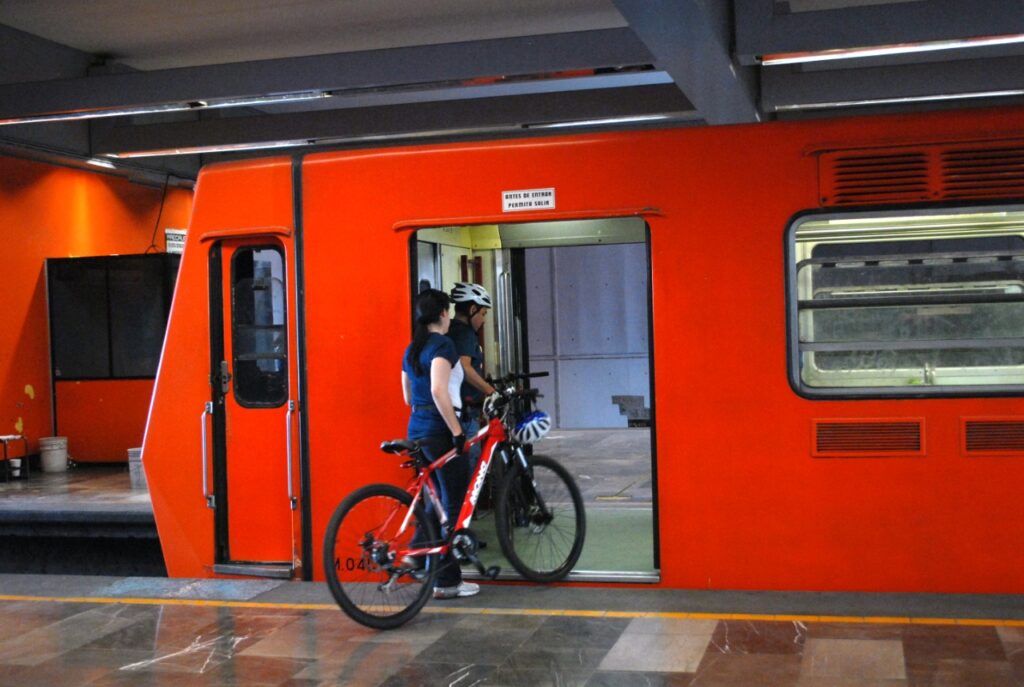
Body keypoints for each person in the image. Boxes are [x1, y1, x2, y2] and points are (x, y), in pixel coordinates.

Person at [401, 288, 480, 599]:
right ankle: (447, 581)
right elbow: (438, 390)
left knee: (435, 501)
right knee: (453, 503)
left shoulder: (412, 349)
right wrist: (458, 433)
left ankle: (418, 553)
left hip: (416, 431)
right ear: (444, 314)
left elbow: (408, 397)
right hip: (439, 432)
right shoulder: (443, 345)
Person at [447, 282, 498, 471]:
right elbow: (465, 368)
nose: (483, 320)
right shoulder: (465, 333)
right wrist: (491, 391)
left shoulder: (450, 330)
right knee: (470, 472)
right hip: (465, 416)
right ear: (472, 309)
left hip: (454, 412)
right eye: (483, 314)